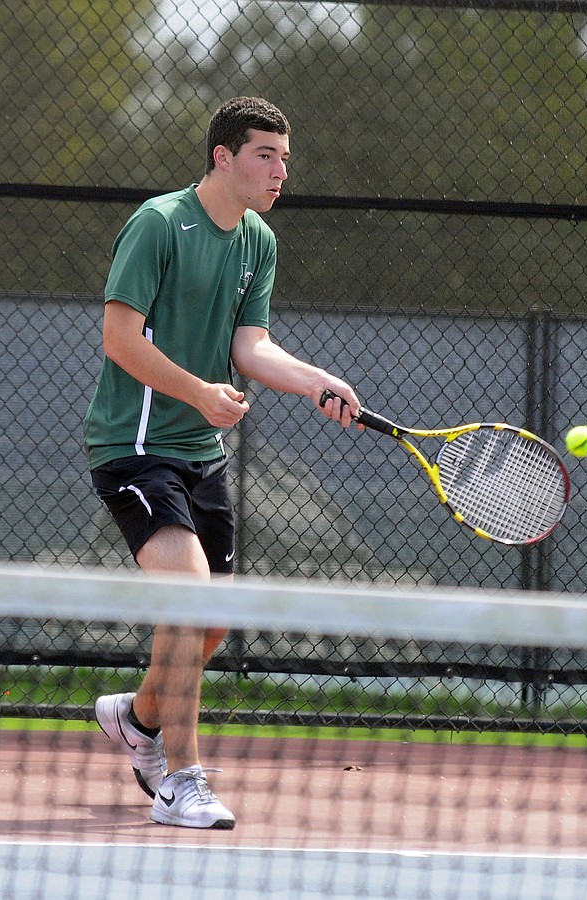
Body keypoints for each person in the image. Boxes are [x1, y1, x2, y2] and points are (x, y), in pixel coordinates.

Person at [84, 96, 361, 830]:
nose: (280, 172)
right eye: (265, 155)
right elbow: (120, 339)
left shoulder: (258, 242)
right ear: (224, 157)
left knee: (210, 630)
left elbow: (251, 348)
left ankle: (140, 720)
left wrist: (316, 382)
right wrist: (200, 393)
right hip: (136, 448)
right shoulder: (157, 224)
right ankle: (181, 778)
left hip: (200, 456)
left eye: (284, 159)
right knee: (192, 603)